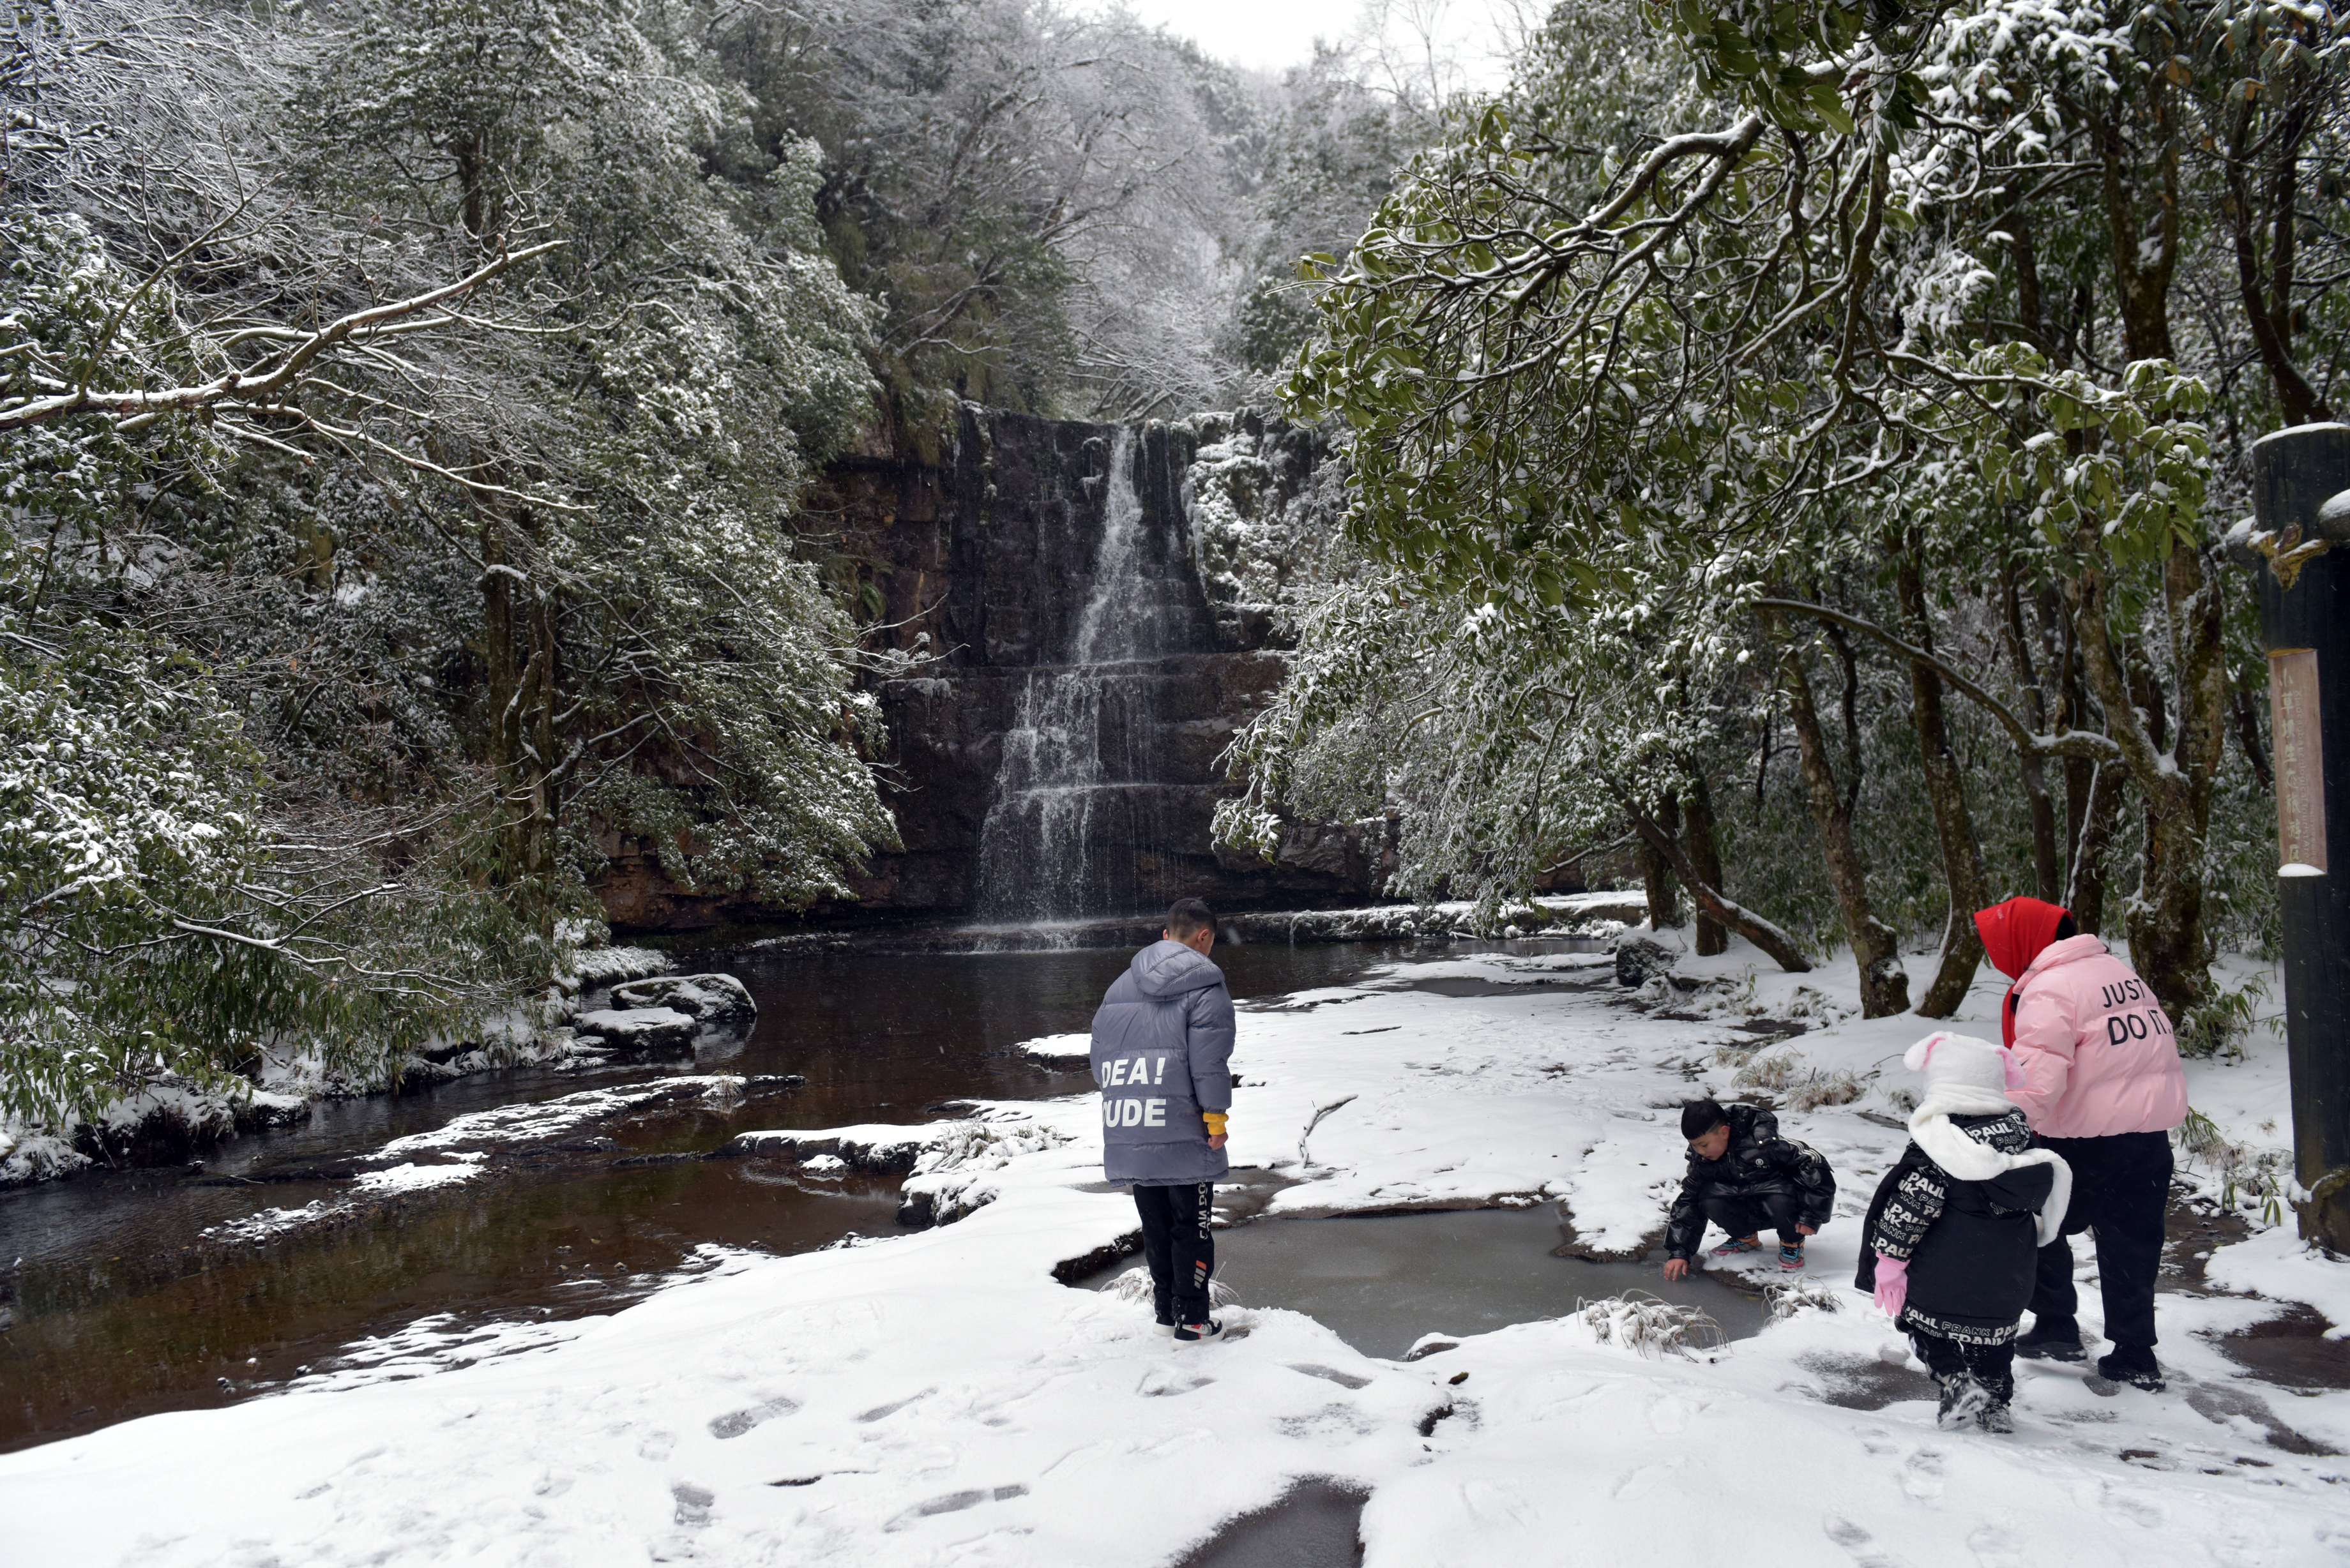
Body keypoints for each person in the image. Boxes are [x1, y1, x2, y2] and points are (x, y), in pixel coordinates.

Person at [1975, 896, 2188, 1392]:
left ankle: (2055, 1325)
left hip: (2085, 1144)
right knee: (2132, 1244)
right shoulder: (2115, 971)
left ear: (2019, 941)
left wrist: (1996, 1127)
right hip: (2148, 1139)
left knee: (2032, 1223)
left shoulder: (2050, 988)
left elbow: (2036, 1084)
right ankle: (2135, 1353)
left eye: (1996, 945)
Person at [1857, 1032, 2072, 1433]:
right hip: (2007, 1276)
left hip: (1944, 1271)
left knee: (1919, 1325)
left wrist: (1888, 1261)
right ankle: (1996, 1406)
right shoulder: (2024, 1142)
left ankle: (1956, 1382)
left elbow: (1910, 1209)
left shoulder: (1941, 1146)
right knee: (1993, 1344)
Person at [1091, 897, 1236, 1345]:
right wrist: (1215, 1121)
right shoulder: (1206, 987)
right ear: (1205, 938)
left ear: (1165, 934)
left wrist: (1129, 1100)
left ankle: (1165, 1309)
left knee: (1154, 1225)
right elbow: (1208, 1064)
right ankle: (1193, 1318)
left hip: (1132, 1120)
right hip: (1183, 1126)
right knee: (1191, 1227)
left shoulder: (1119, 987)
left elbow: (1100, 1057)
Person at [1662, 1099, 1835, 1278]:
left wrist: (1812, 1215)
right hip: (1744, 1204)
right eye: (1694, 1146)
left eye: (1704, 1145)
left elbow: (1813, 1164)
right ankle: (1746, 1238)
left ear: (1724, 1132)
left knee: (1780, 1198)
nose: (1700, 1152)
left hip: (1780, 1205)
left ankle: (1792, 1243)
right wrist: (1679, 1252)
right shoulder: (1702, 1161)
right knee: (1707, 1197)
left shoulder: (1764, 1142)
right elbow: (1689, 1199)